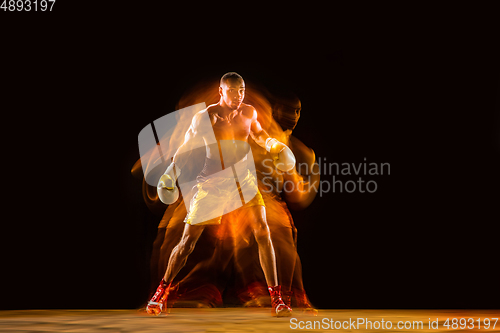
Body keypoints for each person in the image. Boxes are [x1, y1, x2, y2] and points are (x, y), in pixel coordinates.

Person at [146, 72, 295, 317]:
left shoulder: (248, 112)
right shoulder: (206, 117)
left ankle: (277, 299)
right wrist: (171, 173)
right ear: (221, 91)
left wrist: (273, 145)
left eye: (242, 90)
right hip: (212, 184)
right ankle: (160, 294)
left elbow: (258, 134)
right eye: (233, 91)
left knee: (263, 231)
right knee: (186, 243)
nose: (239, 96)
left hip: (244, 182)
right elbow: (187, 147)